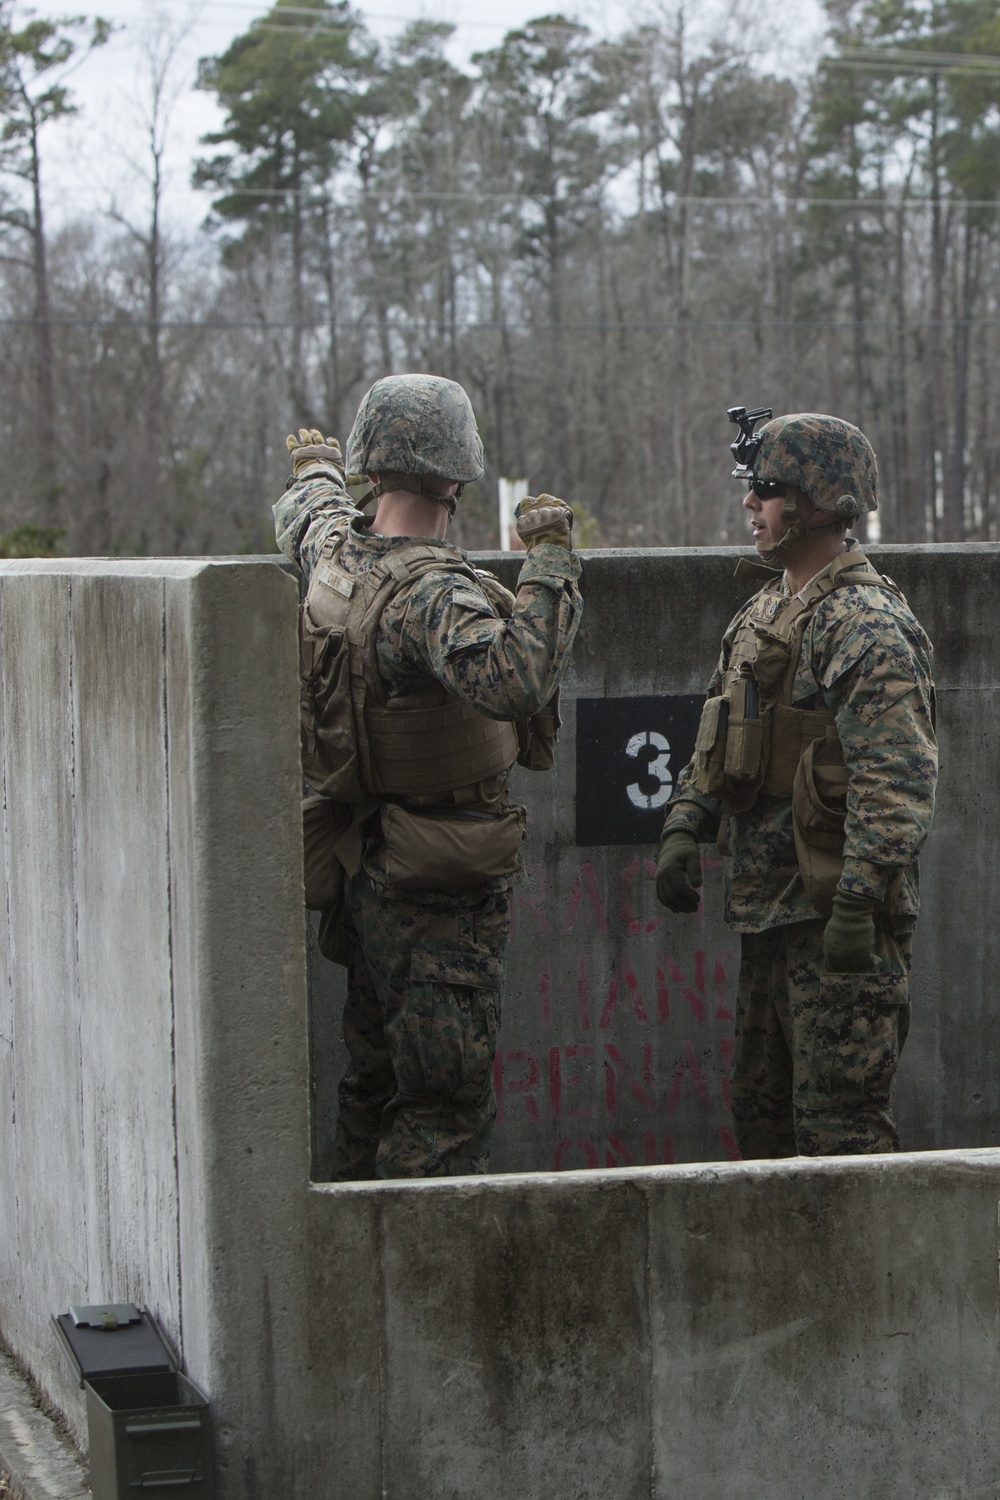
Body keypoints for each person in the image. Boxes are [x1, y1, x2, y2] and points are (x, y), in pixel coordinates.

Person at [274, 373, 583, 1180]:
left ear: (371, 471)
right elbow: (515, 679)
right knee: (441, 1116)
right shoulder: (432, 592)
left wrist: (314, 471)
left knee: (369, 1090)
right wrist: (549, 563)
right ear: (456, 476)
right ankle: (419, 1302)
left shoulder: (336, 560)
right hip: (439, 892)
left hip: (364, 870)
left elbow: (309, 515)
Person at [654, 408, 937, 1158]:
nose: (751, 504)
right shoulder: (763, 613)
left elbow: (898, 777)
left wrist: (859, 897)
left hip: (835, 924)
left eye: (768, 489)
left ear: (819, 503)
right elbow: (720, 733)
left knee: (841, 1135)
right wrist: (689, 817)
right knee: (764, 1128)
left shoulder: (864, 624)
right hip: (767, 915)